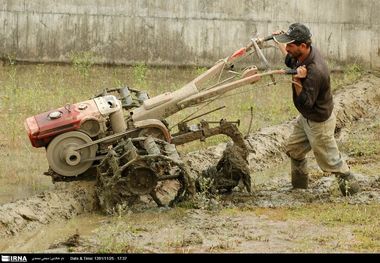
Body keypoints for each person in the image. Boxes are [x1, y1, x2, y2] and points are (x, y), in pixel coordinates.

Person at [272, 23, 360, 196]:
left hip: (318, 121)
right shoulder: (303, 54)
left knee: (332, 161)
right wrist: (279, 43)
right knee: (294, 150)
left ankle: (353, 194)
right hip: (306, 118)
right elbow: (290, 60)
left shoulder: (315, 71)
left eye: (290, 45)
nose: (287, 48)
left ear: (303, 46)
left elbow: (305, 103)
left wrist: (297, 81)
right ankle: (299, 189)